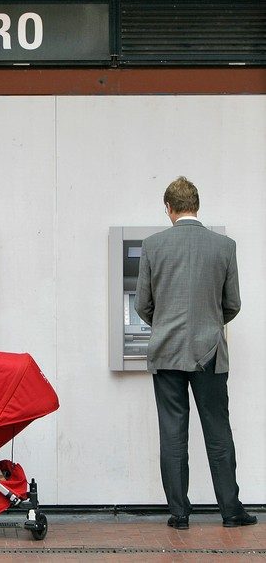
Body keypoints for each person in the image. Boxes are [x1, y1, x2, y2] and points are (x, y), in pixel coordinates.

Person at [135, 176, 257, 530]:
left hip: (166, 352)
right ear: (197, 206)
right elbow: (232, 303)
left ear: (168, 208)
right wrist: (210, 325)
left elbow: (142, 304)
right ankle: (231, 511)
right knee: (218, 431)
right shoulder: (224, 246)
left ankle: (179, 514)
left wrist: (164, 325)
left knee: (173, 433)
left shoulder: (153, 246)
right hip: (210, 353)